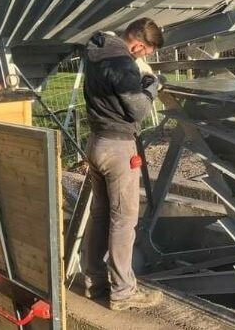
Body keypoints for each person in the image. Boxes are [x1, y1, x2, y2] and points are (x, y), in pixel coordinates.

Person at [80, 17, 164, 311]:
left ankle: (94, 281)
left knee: (101, 215)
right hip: (117, 148)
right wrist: (151, 86)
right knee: (124, 220)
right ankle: (124, 292)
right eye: (147, 52)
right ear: (139, 44)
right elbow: (138, 108)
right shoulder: (121, 60)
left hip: (96, 141)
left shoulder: (98, 49)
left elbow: (114, 93)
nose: (144, 57)